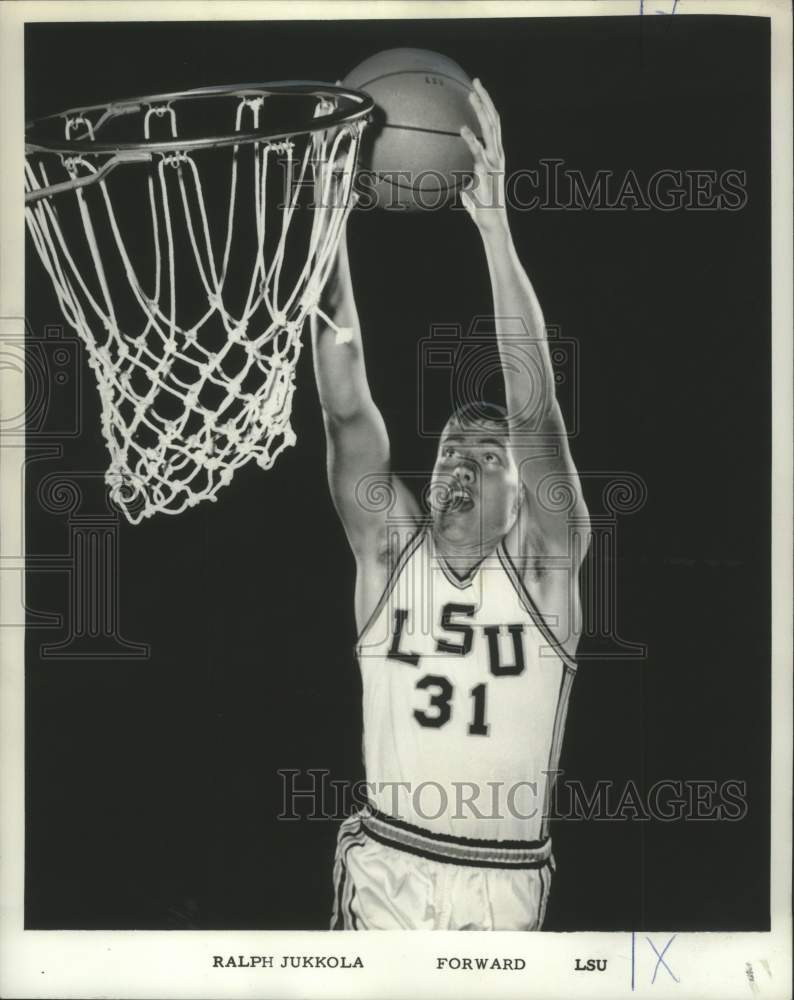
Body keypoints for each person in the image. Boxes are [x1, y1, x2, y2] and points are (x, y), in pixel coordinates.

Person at [310, 80, 590, 931]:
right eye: (449, 450)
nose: (458, 461)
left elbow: (534, 407)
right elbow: (347, 406)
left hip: (501, 882)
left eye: (485, 452)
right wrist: (329, 225)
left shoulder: (546, 571)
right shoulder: (390, 552)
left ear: (521, 492)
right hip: (389, 863)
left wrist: (495, 228)